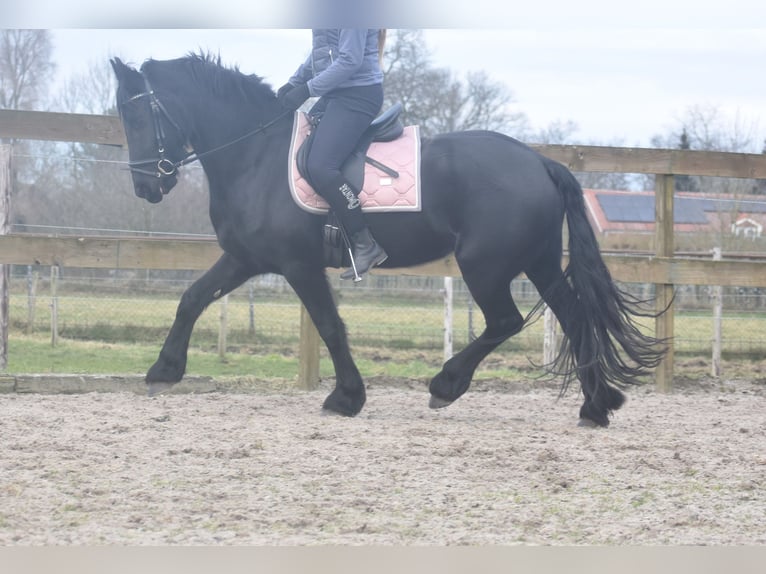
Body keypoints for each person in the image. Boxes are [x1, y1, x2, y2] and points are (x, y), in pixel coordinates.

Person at [277, 29, 388, 280]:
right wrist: (294, 82)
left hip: (358, 95)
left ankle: (365, 243)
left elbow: (350, 60)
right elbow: (321, 55)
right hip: (336, 94)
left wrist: (307, 89)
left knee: (320, 166)